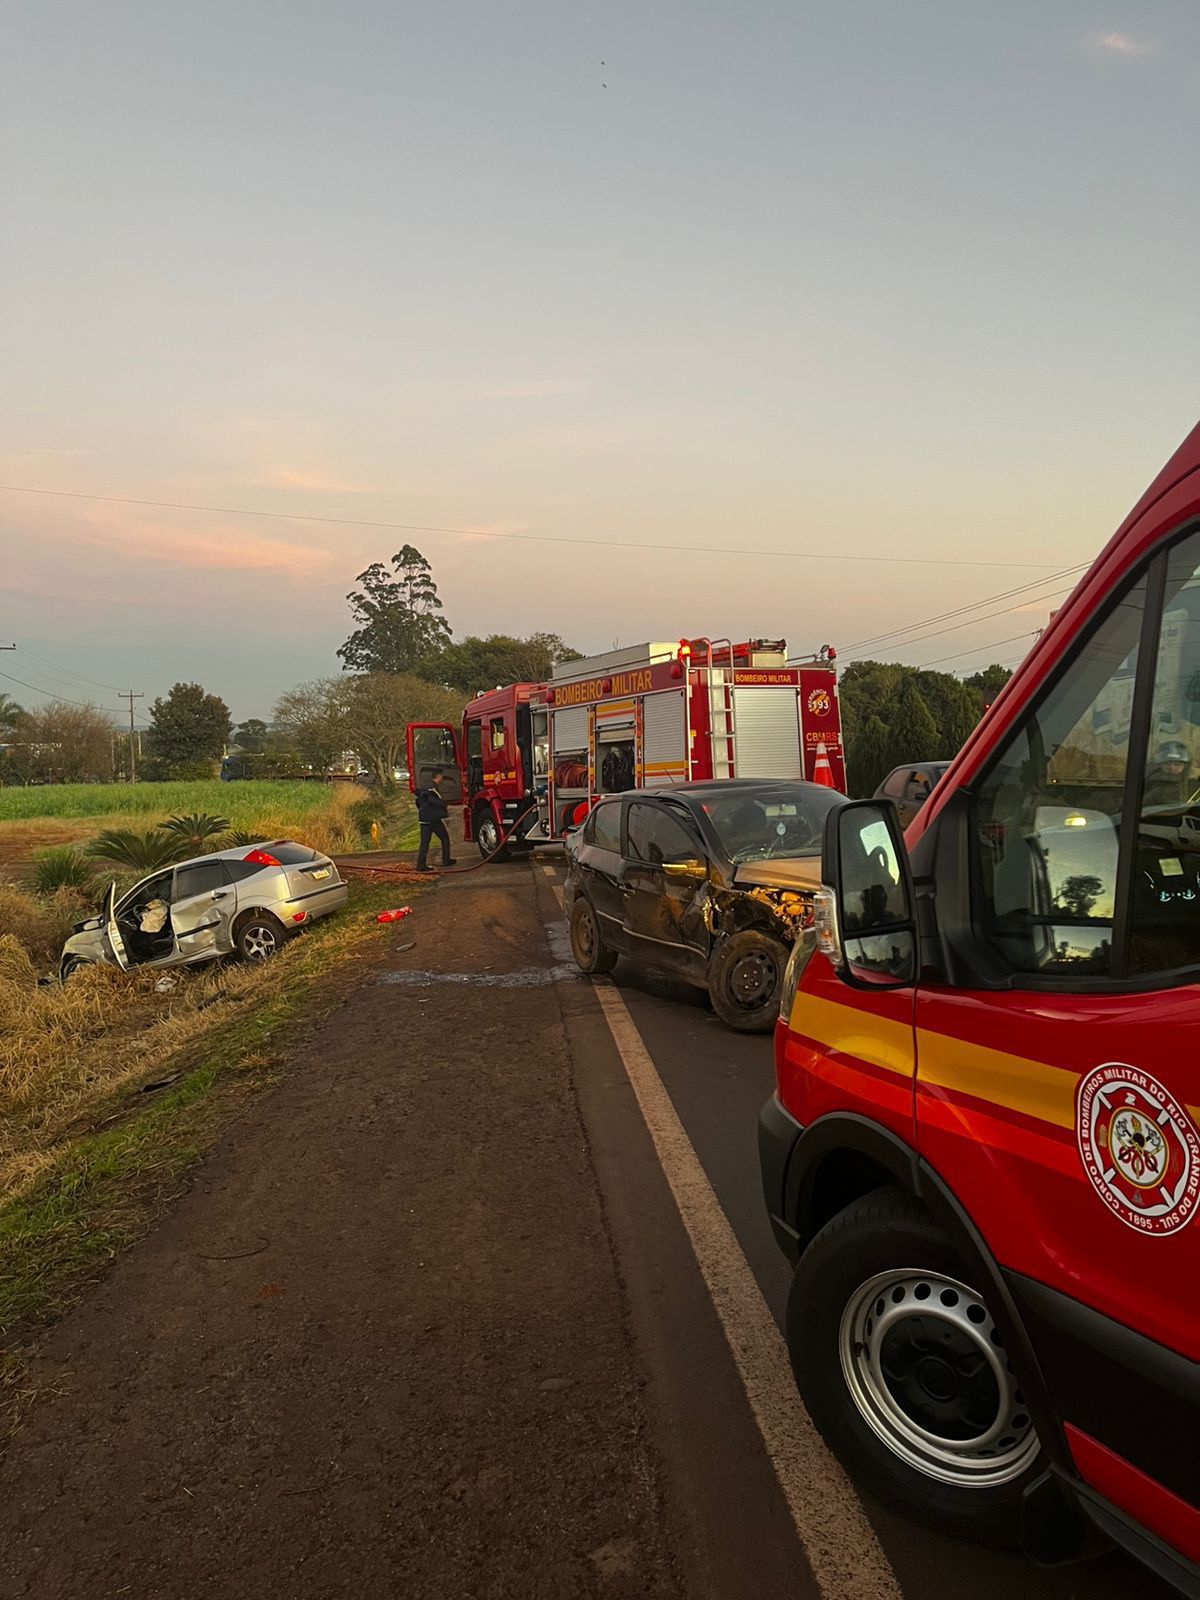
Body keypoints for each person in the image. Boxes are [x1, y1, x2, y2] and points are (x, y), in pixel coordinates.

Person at [415, 769, 456, 872]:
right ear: (438, 777)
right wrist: (445, 805)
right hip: (432, 819)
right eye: (441, 776)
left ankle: (420, 865)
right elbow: (432, 800)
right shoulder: (432, 788)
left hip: (424, 819)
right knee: (444, 837)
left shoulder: (424, 787)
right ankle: (446, 860)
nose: (442, 779)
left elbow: (418, 802)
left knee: (424, 843)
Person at [1143, 740, 1194, 809]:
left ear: (1185, 766)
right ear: (1159, 765)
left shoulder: (1192, 784)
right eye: (1167, 764)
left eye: (1177, 764)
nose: (1172, 768)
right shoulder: (1150, 782)